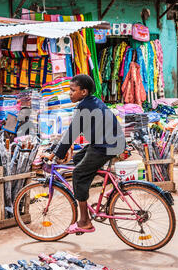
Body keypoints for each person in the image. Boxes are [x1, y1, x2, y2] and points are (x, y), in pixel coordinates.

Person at [42, 74, 126, 234]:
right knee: (78, 158)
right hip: (110, 142)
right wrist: (63, 149)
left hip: (105, 146)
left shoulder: (84, 107)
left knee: (79, 175)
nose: (70, 94)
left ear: (84, 92)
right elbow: (75, 131)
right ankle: (114, 185)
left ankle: (84, 221)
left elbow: (72, 132)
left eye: (73, 90)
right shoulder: (91, 102)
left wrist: (54, 155)